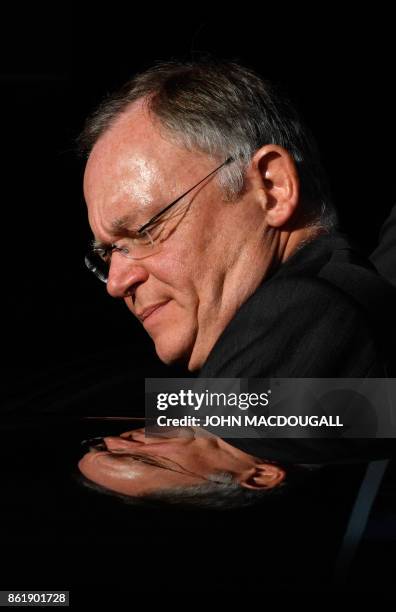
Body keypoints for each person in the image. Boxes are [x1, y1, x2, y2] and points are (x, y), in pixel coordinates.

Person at [77, 59, 396, 507]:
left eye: (145, 229)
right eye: (109, 251)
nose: (115, 282)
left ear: (272, 187)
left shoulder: (304, 310)